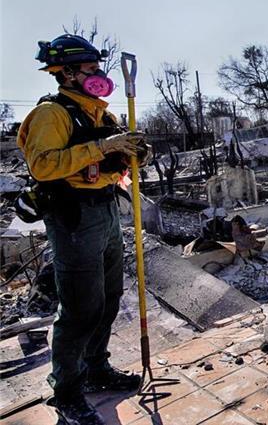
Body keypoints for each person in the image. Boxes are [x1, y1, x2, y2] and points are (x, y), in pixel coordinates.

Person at [17, 34, 149, 425]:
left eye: (97, 70)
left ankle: (96, 368)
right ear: (68, 73)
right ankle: (67, 391)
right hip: (74, 217)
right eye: (90, 71)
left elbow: (118, 152)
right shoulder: (51, 114)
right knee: (79, 308)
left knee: (108, 298)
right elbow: (42, 165)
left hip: (105, 208)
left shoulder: (99, 113)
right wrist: (104, 147)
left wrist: (135, 150)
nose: (98, 76)